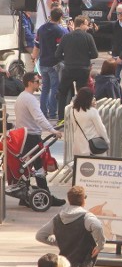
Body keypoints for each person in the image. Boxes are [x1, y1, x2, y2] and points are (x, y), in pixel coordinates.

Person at [36, 186, 105, 267]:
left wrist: (58, 242)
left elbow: (40, 235)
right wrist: (100, 245)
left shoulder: (58, 218)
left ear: (69, 200)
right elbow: (98, 227)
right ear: (84, 200)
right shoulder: (86, 217)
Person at [14, 72, 65, 206]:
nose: (39, 84)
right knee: (38, 168)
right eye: (37, 82)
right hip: (32, 136)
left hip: (24, 135)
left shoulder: (21, 97)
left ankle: (25, 196)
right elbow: (39, 118)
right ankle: (45, 195)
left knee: (28, 166)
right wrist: (53, 130)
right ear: (30, 83)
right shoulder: (30, 99)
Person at [55, 16, 98, 122]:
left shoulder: (66, 36)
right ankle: (81, 117)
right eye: (87, 24)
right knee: (82, 93)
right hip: (83, 69)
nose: (88, 26)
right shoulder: (88, 37)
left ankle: (61, 118)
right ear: (82, 23)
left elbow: (57, 54)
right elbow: (95, 54)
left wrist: (67, 58)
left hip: (69, 68)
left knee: (63, 93)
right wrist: (86, 56)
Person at [33, 8, 68, 120]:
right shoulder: (60, 30)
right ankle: (52, 113)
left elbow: (37, 45)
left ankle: (43, 112)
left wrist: (34, 57)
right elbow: (61, 48)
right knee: (54, 88)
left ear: (50, 16)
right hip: (54, 63)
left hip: (43, 62)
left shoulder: (41, 29)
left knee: (45, 88)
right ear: (61, 17)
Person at [68, 88, 110, 159]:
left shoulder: (72, 111)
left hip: (78, 145)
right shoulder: (92, 111)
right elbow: (100, 128)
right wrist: (106, 141)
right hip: (93, 146)